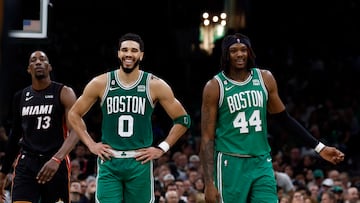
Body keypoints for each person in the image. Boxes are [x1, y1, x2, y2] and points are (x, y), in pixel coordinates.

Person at [199, 33, 345, 203]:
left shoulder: (264, 78)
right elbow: (207, 138)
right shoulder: (214, 86)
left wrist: (320, 148)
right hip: (230, 162)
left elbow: (284, 119)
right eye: (233, 51)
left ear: (249, 52)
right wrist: (209, 183)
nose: (240, 54)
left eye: (243, 50)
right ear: (226, 55)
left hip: (262, 161)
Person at [68, 32, 191, 202]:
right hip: (110, 160)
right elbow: (73, 114)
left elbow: (183, 120)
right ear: (118, 53)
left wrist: (162, 148)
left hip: (139, 163)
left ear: (141, 55)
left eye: (134, 50)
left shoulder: (155, 84)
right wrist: (91, 145)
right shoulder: (101, 83)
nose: (128, 54)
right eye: (124, 50)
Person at [0, 50, 79, 203]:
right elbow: (14, 136)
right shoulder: (20, 97)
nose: (38, 62)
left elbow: (77, 131)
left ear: (49, 67)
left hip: (55, 161)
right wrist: (3, 173)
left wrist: (57, 159)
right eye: (33, 60)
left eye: (42, 59)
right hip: (27, 163)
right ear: (29, 69)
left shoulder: (64, 92)